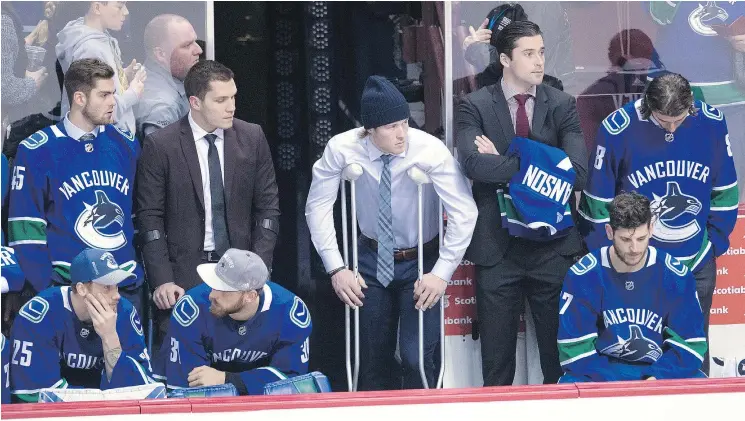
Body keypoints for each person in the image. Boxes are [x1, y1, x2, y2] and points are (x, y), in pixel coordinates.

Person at [306, 75, 477, 390]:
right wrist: (336, 268)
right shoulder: (342, 148)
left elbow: (464, 211)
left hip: (420, 260)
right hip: (370, 260)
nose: (402, 134)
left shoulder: (429, 150)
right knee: (371, 359)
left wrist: (441, 273)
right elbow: (317, 207)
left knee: (416, 357)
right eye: (391, 127)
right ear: (369, 130)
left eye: (404, 122)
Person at [455, 20, 588, 386]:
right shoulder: (475, 105)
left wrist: (507, 159)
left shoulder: (562, 104)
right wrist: (542, 165)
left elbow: (577, 173)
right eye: (529, 53)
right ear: (504, 59)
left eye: (542, 52)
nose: (539, 61)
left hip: (553, 247)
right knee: (496, 366)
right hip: (499, 249)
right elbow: (472, 164)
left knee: (558, 362)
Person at [578, 73, 739, 375]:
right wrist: (616, 259)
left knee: (692, 348)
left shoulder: (712, 123)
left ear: (690, 105)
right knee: (636, 352)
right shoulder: (617, 129)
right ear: (647, 105)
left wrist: (712, 244)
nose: (673, 127)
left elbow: (725, 190)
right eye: (664, 121)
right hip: (634, 261)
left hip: (695, 261)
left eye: (679, 119)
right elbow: (597, 204)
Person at [136, 60, 280, 351]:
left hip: (241, 271)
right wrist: (162, 280)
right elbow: (149, 219)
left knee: (242, 357)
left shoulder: (252, 137)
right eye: (221, 99)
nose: (232, 107)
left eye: (233, 97)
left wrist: (257, 270)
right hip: (183, 275)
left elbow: (268, 210)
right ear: (195, 102)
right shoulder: (161, 145)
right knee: (183, 367)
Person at [7, 58, 146, 316]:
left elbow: (140, 215)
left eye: (113, 93)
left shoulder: (127, 144)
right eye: (104, 95)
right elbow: (25, 228)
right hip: (66, 287)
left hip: (123, 287)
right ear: (79, 98)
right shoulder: (37, 150)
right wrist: (47, 288)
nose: (112, 101)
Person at [559, 192, 706, 382]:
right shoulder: (584, 276)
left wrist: (656, 377)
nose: (635, 248)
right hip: (601, 373)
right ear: (610, 232)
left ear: (651, 229)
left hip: (659, 370)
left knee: (699, 383)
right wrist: (616, 385)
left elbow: (690, 344)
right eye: (626, 240)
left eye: (641, 238)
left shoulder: (675, 276)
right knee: (570, 385)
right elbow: (575, 350)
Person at [9, 248, 154, 403]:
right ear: (81, 288)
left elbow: (138, 390)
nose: (116, 295)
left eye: (117, 286)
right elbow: (36, 394)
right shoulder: (40, 316)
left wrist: (110, 337)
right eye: (107, 287)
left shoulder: (124, 312)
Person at [160, 249, 311, 395]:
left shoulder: (289, 312)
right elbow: (187, 389)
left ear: (250, 296)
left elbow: (290, 382)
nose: (212, 294)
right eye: (214, 283)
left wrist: (226, 379)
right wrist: (255, 382)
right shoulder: (192, 308)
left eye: (224, 289)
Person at [56, 1, 146, 134]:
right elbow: (94, 108)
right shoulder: (89, 49)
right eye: (120, 6)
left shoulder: (101, 37)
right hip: (103, 139)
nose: (126, 12)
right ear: (97, 7)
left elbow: (101, 86)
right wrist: (132, 94)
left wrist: (123, 75)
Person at [135, 14, 202, 139]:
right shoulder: (162, 108)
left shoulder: (174, 78)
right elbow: (165, 157)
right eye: (187, 45)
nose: (198, 50)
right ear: (160, 54)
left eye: (195, 42)